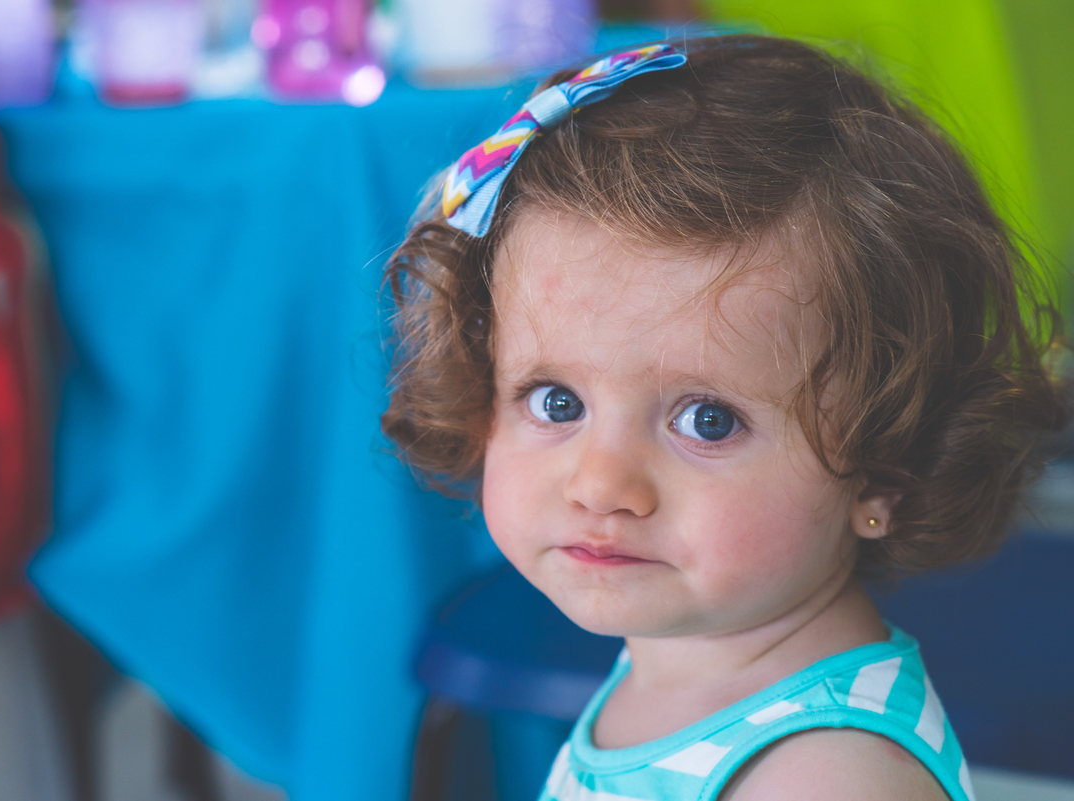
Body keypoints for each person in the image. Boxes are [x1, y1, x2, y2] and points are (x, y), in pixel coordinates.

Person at [381, 36, 1067, 800]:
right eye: (557, 402)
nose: (602, 482)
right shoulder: (684, 655)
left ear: (886, 464)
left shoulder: (826, 777)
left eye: (708, 420)